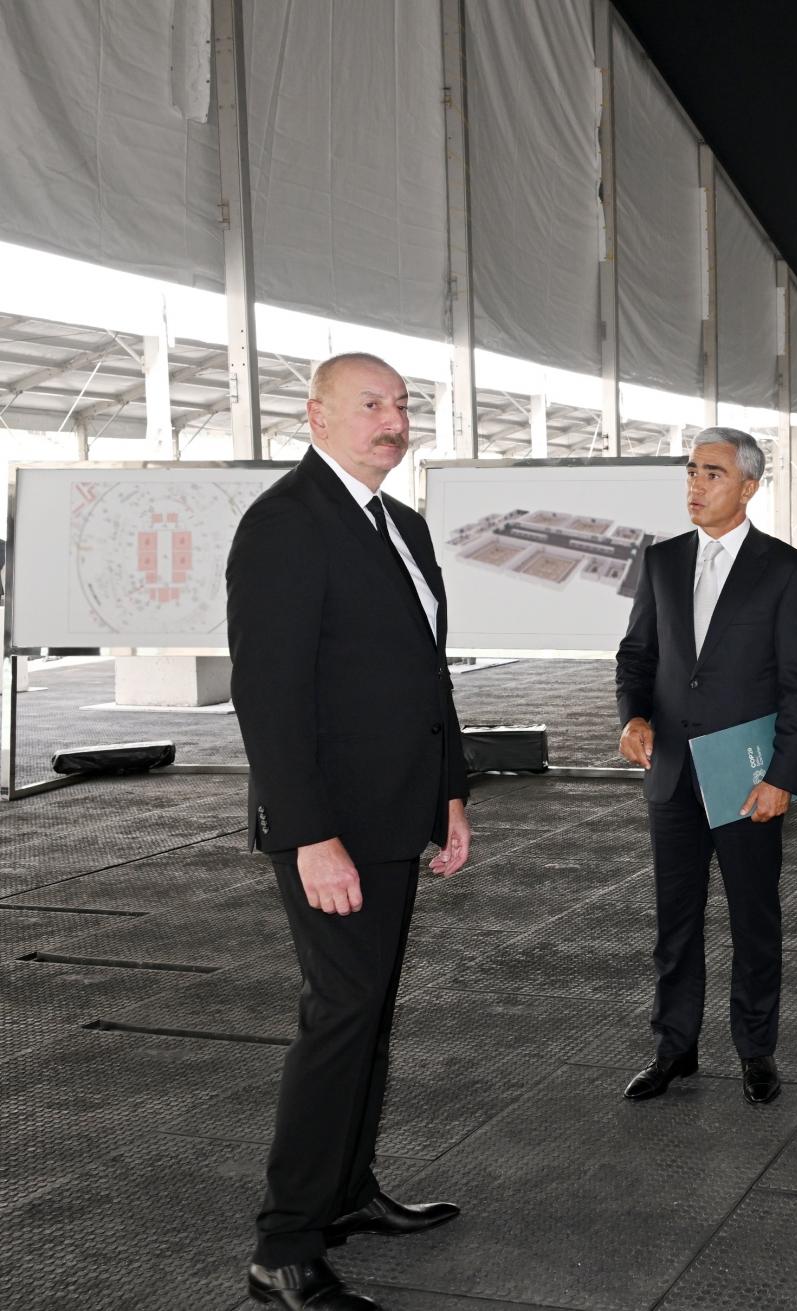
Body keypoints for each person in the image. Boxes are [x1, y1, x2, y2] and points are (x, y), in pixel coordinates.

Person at [227, 352, 472, 1311]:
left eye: (403, 405)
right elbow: (268, 694)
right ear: (317, 415)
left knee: (368, 1013)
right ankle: (284, 1246)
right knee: (338, 1016)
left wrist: (449, 794)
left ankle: (346, 1192)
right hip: (329, 826)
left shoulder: (400, 524)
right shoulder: (286, 523)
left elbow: (427, 676)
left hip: (397, 812)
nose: (392, 419)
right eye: (370, 404)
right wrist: (307, 833)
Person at [614, 428, 797, 1107]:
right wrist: (633, 716)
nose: (695, 486)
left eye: (712, 473)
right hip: (671, 772)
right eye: (691, 472)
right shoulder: (661, 559)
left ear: (750, 486)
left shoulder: (786, 570)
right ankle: (674, 1047)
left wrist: (783, 777)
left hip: (746, 777)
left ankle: (756, 1050)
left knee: (753, 918)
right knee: (674, 920)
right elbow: (637, 655)